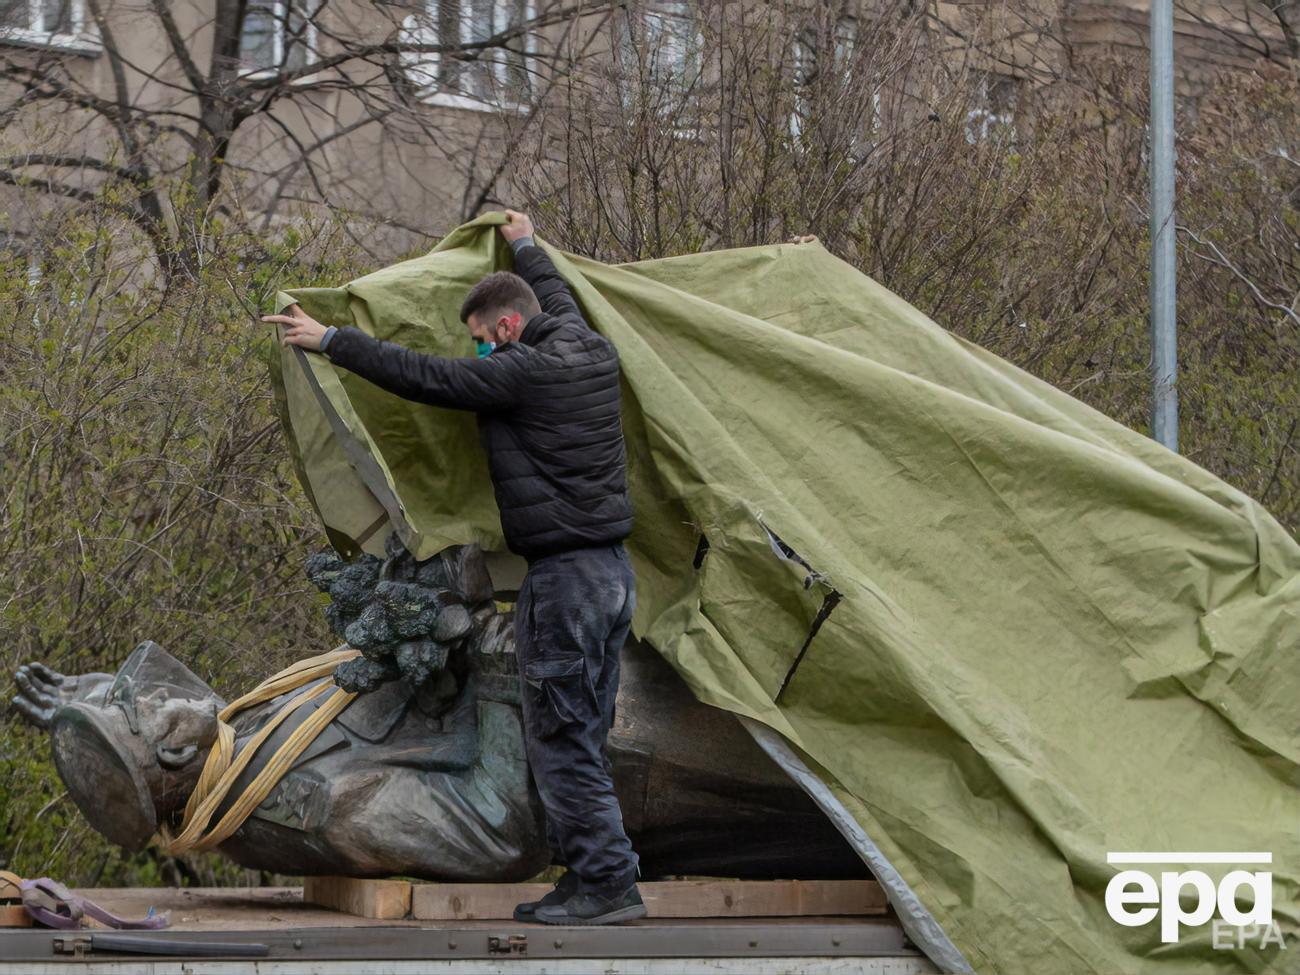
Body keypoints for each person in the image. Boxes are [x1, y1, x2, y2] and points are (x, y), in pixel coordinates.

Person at [260, 211, 644, 926]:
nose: (475, 354)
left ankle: (607, 882)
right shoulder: (587, 346)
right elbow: (553, 291)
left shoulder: (524, 372)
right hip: (608, 576)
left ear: (503, 330)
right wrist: (525, 243)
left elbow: (424, 378)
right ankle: (591, 872)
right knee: (579, 730)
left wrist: (331, 340)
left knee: (560, 736)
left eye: (478, 339)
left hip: (566, 584)